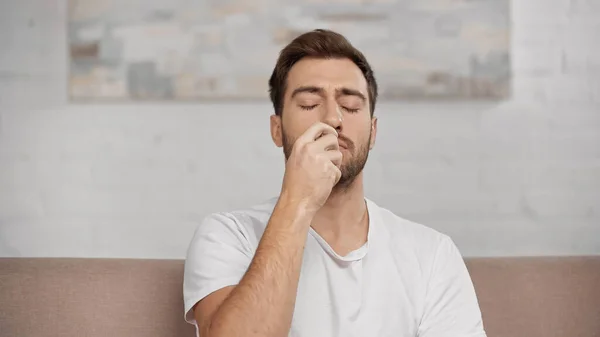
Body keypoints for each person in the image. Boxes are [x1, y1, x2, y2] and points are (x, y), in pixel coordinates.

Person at [183, 29, 487, 337]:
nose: (333, 118)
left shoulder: (432, 254)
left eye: (352, 106)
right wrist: (298, 201)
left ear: (373, 132)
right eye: (309, 103)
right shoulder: (228, 237)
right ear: (277, 130)